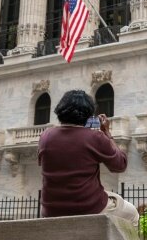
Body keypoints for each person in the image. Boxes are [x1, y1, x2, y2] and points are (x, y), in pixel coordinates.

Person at [38, 90, 138, 225]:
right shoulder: (95, 137)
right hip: (88, 207)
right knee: (132, 214)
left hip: (50, 210)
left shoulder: (45, 136)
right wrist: (107, 133)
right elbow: (120, 164)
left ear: (60, 111)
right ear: (88, 115)